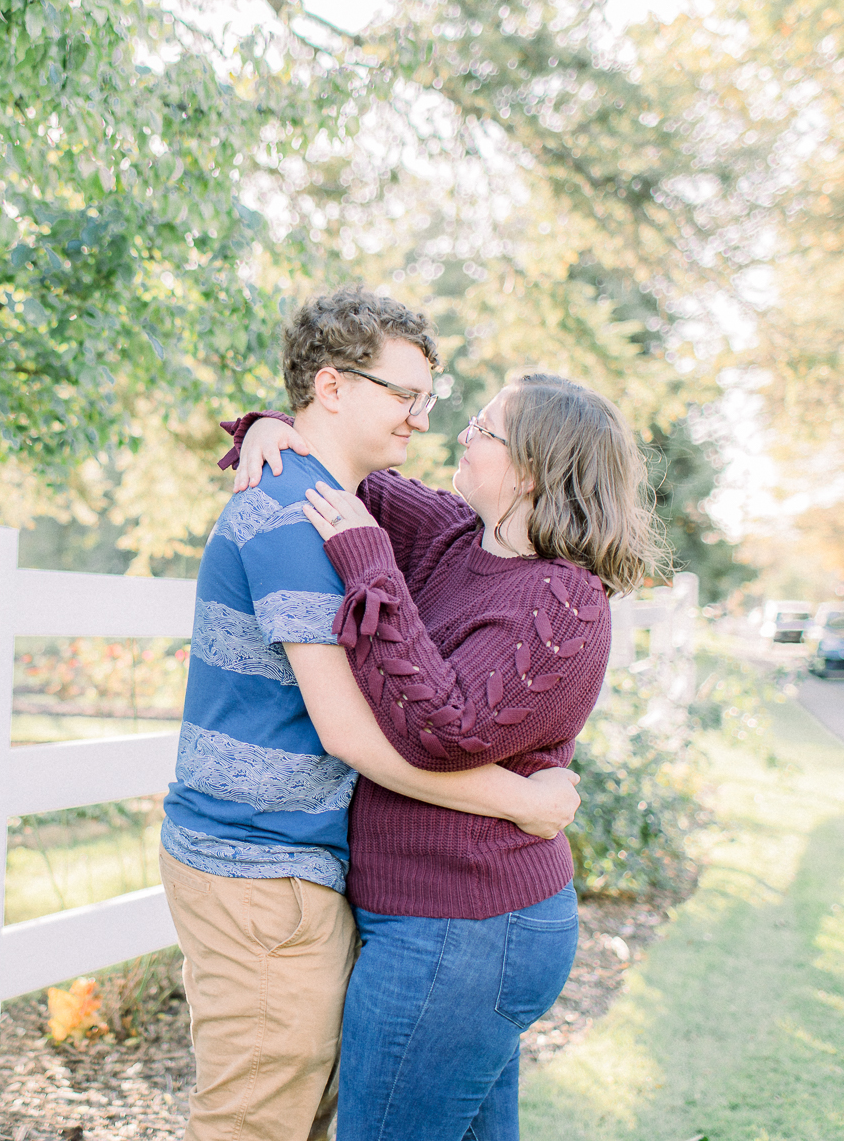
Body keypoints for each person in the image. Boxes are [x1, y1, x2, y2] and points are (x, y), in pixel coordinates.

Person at [159, 287, 583, 1141]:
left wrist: (264, 427)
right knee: (254, 1121)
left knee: (291, 1111)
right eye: (405, 396)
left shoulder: (331, 502)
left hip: (283, 863)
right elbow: (349, 731)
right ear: (332, 387)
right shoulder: (291, 515)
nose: (422, 421)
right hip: (257, 866)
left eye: (430, 400)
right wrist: (522, 801)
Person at [225, 370, 665, 1141]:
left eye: (485, 428)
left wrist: (369, 563)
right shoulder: (456, 534)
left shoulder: (562, 606)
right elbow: (340, 462)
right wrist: (270, 428)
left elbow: (441, 732)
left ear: (530, 470)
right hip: (436, 921)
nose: (459, 433)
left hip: (467, 928)